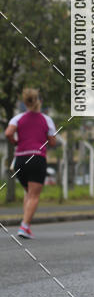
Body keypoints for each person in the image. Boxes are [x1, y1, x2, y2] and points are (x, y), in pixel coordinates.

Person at [5, 88, 57, 238]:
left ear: (25, 102)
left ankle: (26, 225)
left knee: (28, 192)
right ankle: (24, 226)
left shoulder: (17, 118)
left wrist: (15, 141)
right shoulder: (46, 120)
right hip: (36, 158)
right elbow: (52, 142)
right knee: (34, 195)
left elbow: (8, 132)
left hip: (20, 159)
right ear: (39, 101)